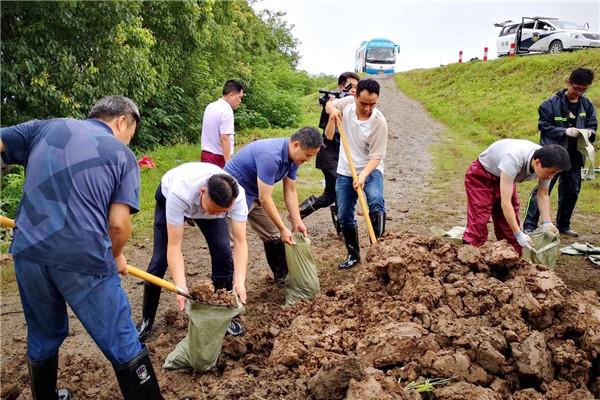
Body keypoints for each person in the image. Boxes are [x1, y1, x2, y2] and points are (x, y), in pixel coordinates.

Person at [0, 96, 163, 399]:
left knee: (43, 333)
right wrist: (115, 255)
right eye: (131, 133)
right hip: (83, 255)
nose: (129, 141)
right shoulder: (122, 155)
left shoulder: (45, 128)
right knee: (121, 338)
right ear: (123, 121)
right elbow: (117, 225)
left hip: (27, 249)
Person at [136, 163, 248, 342]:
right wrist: (180, 287)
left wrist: (240, 282)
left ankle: (222, 315)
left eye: (223, 212)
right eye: (214, 210)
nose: (218, 214)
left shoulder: (237, 197)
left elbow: (240, 242)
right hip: (171, 199)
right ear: (203, 191)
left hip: (201, 203)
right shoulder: (179, 192)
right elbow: (174, 246)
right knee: (158, 262)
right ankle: (146, 320)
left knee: (223, 254)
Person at [224, 127, 322, 285]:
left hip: (254, 194)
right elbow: (265, 198)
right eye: (308, 155)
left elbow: (290, 190)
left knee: (273, 234)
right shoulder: (271, 156)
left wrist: (297, 221)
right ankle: (227, 288)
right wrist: (284, 228)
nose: (308, 160)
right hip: (231, 196)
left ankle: (281, 276)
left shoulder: (295, 158)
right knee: (232, 244)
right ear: (296, 145)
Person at [523, 68, 597, 237]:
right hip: (553, 153)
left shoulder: (587, 105)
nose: (579, 92)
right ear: (568, 82)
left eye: (583, 89)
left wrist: (588, 133)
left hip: (575, 156)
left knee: (572, 189)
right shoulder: (549, 104)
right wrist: (564, 132)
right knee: (543, 189)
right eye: (576, 88)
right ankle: (529, 225)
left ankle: (563, 224)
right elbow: (544, 126)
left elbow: (593, 126)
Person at [463, 139, 571, 254]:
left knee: (509, 227)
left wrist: (547, 223)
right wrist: (519, 234)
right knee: (479, 220)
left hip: (507, 178)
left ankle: (510, 260)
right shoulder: (514, 159)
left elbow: (543, 195)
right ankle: (469, 258)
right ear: (537, 162)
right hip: (482, 176)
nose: (551, 177)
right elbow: (506, 203)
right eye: (550, 172)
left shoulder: (548, 163)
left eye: (555, 173)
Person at [325, 78, 388, 270]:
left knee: (376, 200)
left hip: (370, 169)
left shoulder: (379, 122)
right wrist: (332, 112)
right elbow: (329, 106)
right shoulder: (346, 105)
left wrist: (362, 176)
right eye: (363, 103)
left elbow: (376, 157)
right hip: (346, 170)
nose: (368, 109)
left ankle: (378, 252)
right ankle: (353, 255)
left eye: (372, 104)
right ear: (355, 97)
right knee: (344, 214)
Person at [299, 72, 359, 236]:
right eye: (350, 86)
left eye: (356, 86)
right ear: (341, 86)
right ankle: (344, 227)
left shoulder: (352, 105)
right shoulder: (332, 104)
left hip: (340, 156)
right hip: (328, 154)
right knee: (342, 189)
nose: (353, 89)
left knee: (330, 195)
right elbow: (328, 135)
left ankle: (298, 214)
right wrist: (332, 111)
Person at [200, 80, 244, 168]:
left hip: (205, 154)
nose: (240, 101)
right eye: (239, 97)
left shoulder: (210, 106)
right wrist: (228, 163)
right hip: (219, 158)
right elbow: (225, 138)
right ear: (231, 94)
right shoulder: (226, 110)